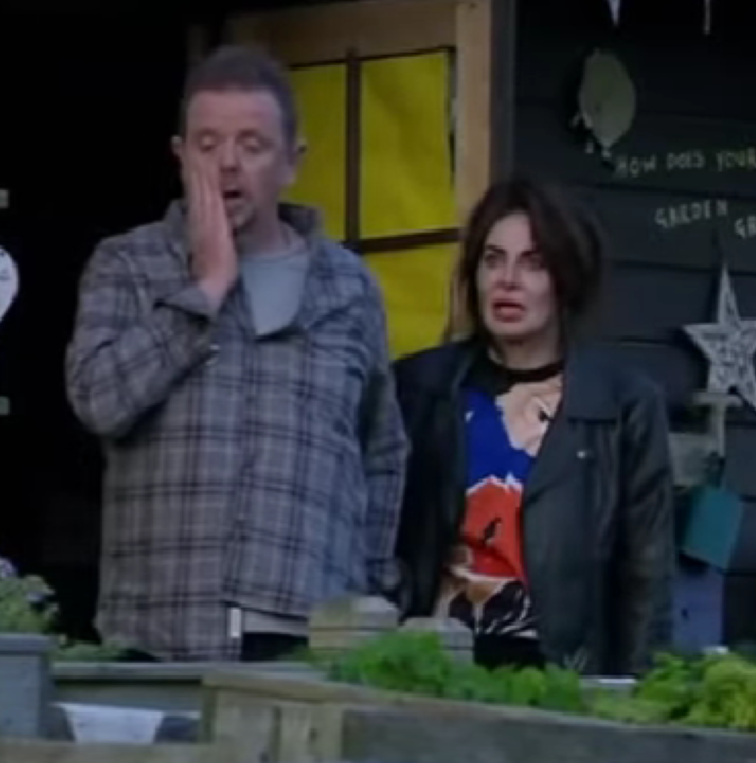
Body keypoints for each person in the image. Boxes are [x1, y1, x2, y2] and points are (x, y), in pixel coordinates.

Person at [64, 45, 407, 663]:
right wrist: (206, 287)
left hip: (308, 628)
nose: (227, 165)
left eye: (251, 146)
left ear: (291, 162)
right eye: (207, 144)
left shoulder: (351, 287)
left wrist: (370, 595)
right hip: (160, 629)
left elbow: (380, 453)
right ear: (179, 155)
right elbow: (99, 401)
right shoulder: (128, 265)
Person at [393, 177, 673, 674]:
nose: (508, 280)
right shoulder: (421, 387)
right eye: (493, 259)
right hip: (432, 664)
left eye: (534, 263)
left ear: (567, 278)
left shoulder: (624, 404)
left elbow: (646, 575)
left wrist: (635, 695)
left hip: (559, 675)